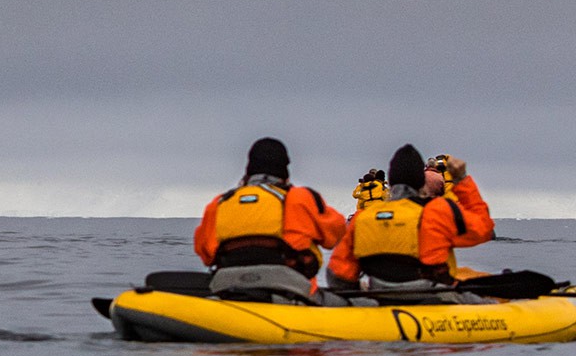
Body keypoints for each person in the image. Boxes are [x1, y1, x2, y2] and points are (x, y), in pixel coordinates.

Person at [326, 144, 495, 298]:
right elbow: (484, 228)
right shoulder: (437, 212)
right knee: (489, 304)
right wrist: (462, 180)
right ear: (421, 182)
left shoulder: (362, 219)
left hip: (381, 298)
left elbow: (338, 276)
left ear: (390, 183)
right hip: (434, 298)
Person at [193, 137, 347, 301]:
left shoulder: (220, 203)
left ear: (249, 169)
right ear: (284, 170)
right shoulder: (299, 198)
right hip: (290, 288)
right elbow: (334, 236)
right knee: (342, 304)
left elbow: (206, 254)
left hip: (228, 285)